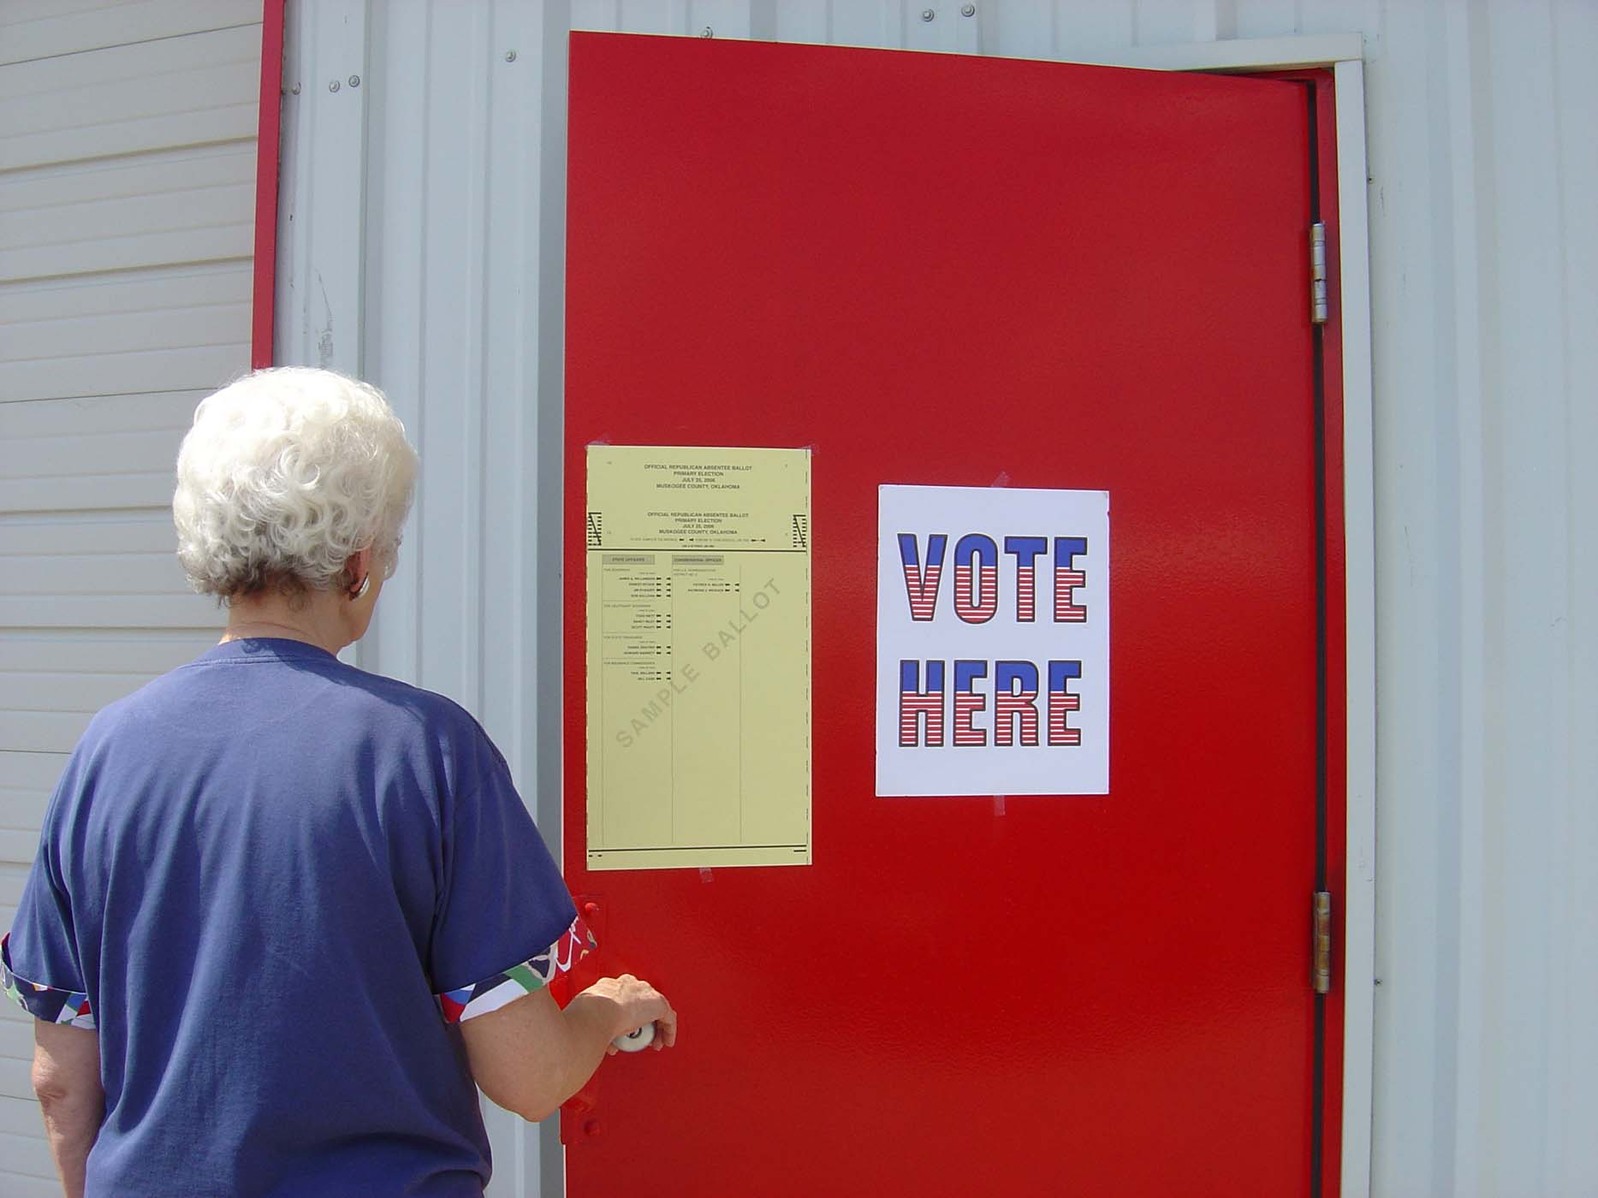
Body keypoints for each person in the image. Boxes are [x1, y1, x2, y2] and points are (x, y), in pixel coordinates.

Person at [1, 367, 676, 1197]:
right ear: (358, 564)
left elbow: (61, 1078)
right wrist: (607, 1010)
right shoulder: (427, 751)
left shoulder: (105, 753)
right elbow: (527, 1076)